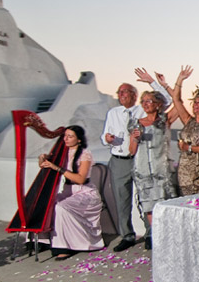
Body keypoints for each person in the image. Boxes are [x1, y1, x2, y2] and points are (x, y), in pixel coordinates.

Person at [39, 126, 104, 259]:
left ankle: (64, 246)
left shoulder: (85, 154)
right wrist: (42, 158)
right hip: (68, 191)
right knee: (44, 204)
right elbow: (43, 166)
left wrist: (57, 168)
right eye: (65, 136)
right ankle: (43, 240)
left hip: (85, 193)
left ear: (79, 140)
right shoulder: (62, 153)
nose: (66, 139)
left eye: (70, 136)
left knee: (61, 207)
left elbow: (80, 179)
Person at [127, 88, 176, 250]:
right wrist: (134, 138)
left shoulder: (164, 121)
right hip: (143, 170)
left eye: (149, 101)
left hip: (161, 170)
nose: (145, 104)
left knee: (164, 202)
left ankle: (167, 235)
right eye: (143, 102)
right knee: (148, 205)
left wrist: (166, 83)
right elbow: (131, 151)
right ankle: (154, 234)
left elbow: (178, 103)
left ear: (158, 104)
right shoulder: (136, 123)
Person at [165, 66, 199, 196]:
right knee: (183, 200)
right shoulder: (188, 120)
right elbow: (176, 100)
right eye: (194, 102)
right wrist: (180, 79)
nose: (195, 104)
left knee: (197, 201)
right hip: (183, 168)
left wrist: (189, 148)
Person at [100, 83, 141, 252]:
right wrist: (107, 138)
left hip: (139, 160)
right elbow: (104, 136)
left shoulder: (142, 111)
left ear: (134, 95)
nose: (120, 94)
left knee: (144, 197)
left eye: (124, 92)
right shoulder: (113, 113)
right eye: (119, 92)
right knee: (121, 199)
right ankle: (127, 235)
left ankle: (150, 235)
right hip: (119, 160)